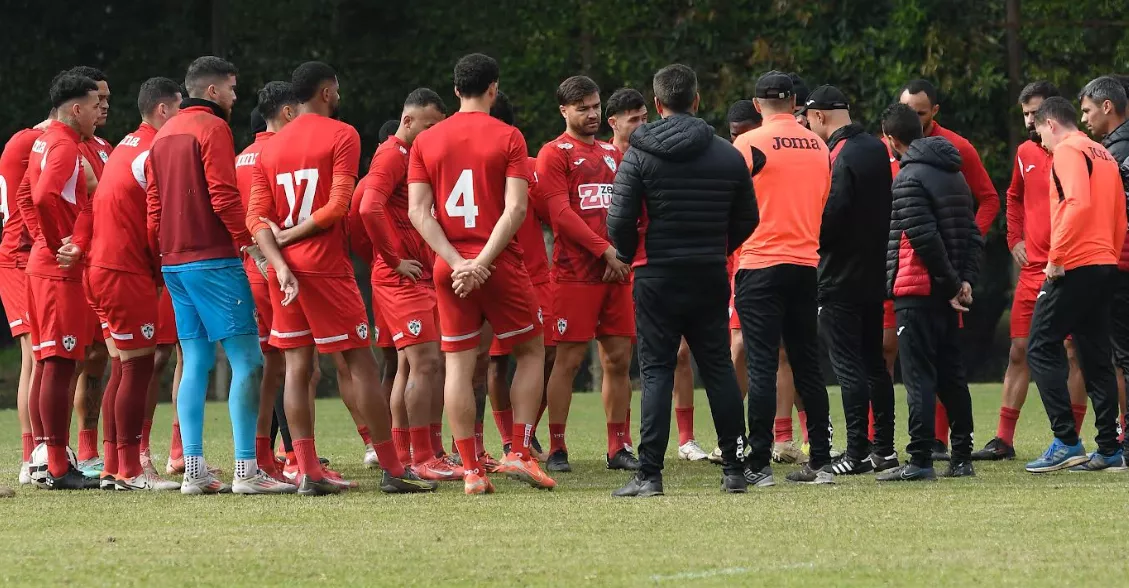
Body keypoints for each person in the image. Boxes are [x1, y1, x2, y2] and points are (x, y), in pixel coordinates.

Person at [248, 61, 434, 496]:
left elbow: (256, 219)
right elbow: (338, 206)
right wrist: (293, 238)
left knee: (296, 368)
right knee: (360, 364)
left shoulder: (270, 148)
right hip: (325, 267)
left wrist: (279, 261)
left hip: (284, 272)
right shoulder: (343, 134)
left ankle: (308, 471)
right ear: (327, 92)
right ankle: (392, 468)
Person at [607, 63, 757, 497]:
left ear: (657, 104)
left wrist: (629, 253)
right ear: (696, 100)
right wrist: (718, 246)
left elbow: (619, 219)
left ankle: (650, 475)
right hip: (708, 271)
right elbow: (748, 217)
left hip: (655, 274)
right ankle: (734, 470)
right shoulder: (727, 154)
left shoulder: (639, 154)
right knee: (718, 367)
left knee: (656, 371)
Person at [407, 52, 554, 494]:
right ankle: (520, 451)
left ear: (455, 90)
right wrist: (482, 262)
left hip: (449, 268)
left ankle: (471, 470)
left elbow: (418, 212)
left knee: (458, 362)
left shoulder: (426, 141)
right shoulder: (509, 136)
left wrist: (457, 263)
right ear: (494, 88)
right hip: (498, 263)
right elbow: (516, 209)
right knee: (531, 350)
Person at [145, 56, 275, 495]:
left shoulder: (164, 133)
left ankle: (193, 469)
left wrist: (163, 254)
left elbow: (154, 206)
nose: (236, 97)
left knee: (196, 360)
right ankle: (246, 470)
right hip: (213, 260)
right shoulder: (213, 128)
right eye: (232, 89)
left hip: (174, 262)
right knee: (248, 360)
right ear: (214, 91)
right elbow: (223, 195)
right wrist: (251, 244)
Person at [71, 76, 184, 491]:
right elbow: (156, 221)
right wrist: (159, 269)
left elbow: (96, 204)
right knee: (137, 369)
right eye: (180, 110)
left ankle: (115, 466)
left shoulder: (124, 145)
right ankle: (133, 469)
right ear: (163, 110)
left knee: (122, 366)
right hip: (125, 271)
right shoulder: (156, 150)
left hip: (101, 268)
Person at [973, 81, 1088, 461]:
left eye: (1035, 113)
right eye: (1024, 114)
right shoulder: (1025, 152)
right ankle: (1003, 439)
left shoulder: (1074, 151)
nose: (1029, 121)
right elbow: (1013, 196)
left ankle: (1070, 439)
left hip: (1068, 268)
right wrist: (1014, 240)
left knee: (1073, 352)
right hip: (1033, 268)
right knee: (1019, 350)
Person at [731, 71, 834, 486]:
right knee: (808, 364)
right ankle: (821, 461)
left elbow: (732, 203)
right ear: (794, 103)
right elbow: (823, 200)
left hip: (759, 263)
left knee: (761, 365)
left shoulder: (747, 143)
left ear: (757, 106)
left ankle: (758, 464)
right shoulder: (819, 145)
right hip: (805, 264)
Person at [876, 103, 981, 482]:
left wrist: (952, 283)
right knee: (951, 374)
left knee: (919, 375)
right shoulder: (955, 174)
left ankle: (920, 459)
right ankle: (962, 457)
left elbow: (923, 238)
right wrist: (964, 281)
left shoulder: (908, 177)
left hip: (917, 289)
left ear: (891, 139)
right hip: (946, 291)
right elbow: (972, 234)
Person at [896, 79, 1001, 459]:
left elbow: (989, 199)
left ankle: (936, 444)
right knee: (890, 352)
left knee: (936, 363)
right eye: (908, 112)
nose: (914, 119)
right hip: (899, 270)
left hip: (936, 274)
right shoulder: (888, 146)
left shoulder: (957, 148)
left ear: (935, 112)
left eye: (921, 113)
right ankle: (882, 444)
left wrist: (965, 245)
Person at [359, 87, 458, 481]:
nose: (434, 135)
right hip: (401, 278)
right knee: (426, 363)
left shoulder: (414, 157)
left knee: (416, 364)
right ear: (407, 120)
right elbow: (367, 207)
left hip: (417, 274)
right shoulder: (391, 154)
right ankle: (422, 456)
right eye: (429, 126)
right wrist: (392, 259)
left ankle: (415, 452)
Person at [538, 76, 636, 473]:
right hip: (575, 273)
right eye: (583, 108)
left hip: (617, 272)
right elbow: (560, 214)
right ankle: (557, 447)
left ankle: (619, 446)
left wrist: (620, 254)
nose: (592, 114)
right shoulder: (553, 153)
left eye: (596, 106)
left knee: (619, 359)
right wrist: (605, 251)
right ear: (564, 110)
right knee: (568, 360)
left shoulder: (613, 154)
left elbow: (628, 210)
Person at [1024, 96, 1126, 473]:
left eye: (1040, 133)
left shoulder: (1067, 150)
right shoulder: (1103, 153)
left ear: (1051, 124)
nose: (1042, 143)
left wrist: (1057, 256)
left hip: (1076, 262)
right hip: (1104, 262)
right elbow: (1119, 215)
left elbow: (1076, 203)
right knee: (1095, 355)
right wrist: (1108, 256)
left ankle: (1066, 441)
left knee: (1039, 345)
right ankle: (1109, 449)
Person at [803, 85, 898, 475]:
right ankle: (884, 449)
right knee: (875, 364)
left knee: (847, 366)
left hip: (839, 275)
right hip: (873, 272)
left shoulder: (838, 154)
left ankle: (856, 451)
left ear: (819, 116)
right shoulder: (876, 147)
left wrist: (811, 237)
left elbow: (834, 214)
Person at [21, 73, 103, 489]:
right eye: (94, 105)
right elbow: (41, 197)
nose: (99, 112)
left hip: (44, 267)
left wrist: (47, 240)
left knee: (50, 363)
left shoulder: (44, 140)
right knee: (59, 364)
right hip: (58, 272)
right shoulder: (65, 145)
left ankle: (46, 456)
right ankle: (55, 465)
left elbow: (26, 196)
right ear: (76, 108)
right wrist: (57, 243)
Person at [485, 90, 553, 463]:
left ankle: (523, 433)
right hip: (491, 274)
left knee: (548, 355)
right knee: (495, 361)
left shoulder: (529, 167)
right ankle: (509, 441)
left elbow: (553, 212)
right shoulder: (466, 163)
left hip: (534, 276)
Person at [235, 83, 298, 483]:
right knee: (294, 364)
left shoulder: (239, 158)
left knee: (269, 363)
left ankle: (265, 455)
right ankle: (292, 455)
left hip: (249, 267)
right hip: (281, 265)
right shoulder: (285, 153)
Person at [704, 99, 764, 466]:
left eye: (745, 133)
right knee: (738, 344)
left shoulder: (771, 157)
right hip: (741, 262)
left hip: (777, 257)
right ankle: (733, 436)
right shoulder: (729, 161)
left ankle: (789, 437)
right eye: (734, 135)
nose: (739, 141)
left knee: (785, 351)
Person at [64, 65, 113, 477]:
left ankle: (88, 449)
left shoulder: (104, 146)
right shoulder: (61, 145)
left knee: (98, 356)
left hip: (103, 262)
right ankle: (52, 451)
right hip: (73, 264)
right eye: (99, 100)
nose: (105, 106)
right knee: (68, 360)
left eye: (107, 100)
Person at [1078, 76, 1129, 457]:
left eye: (1087, 110)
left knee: (1122, 356)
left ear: (1107, 107)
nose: (1084, 119)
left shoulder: (1114, 153)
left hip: (1120, 262)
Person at [0, 115, 49, 485]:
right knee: (34, 354)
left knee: (46, 355)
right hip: (19, 257)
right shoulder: (33, 142)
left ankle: (46, 450)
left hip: (32, 256)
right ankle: (31, 455)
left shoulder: (29, 139)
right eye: (97, 101)